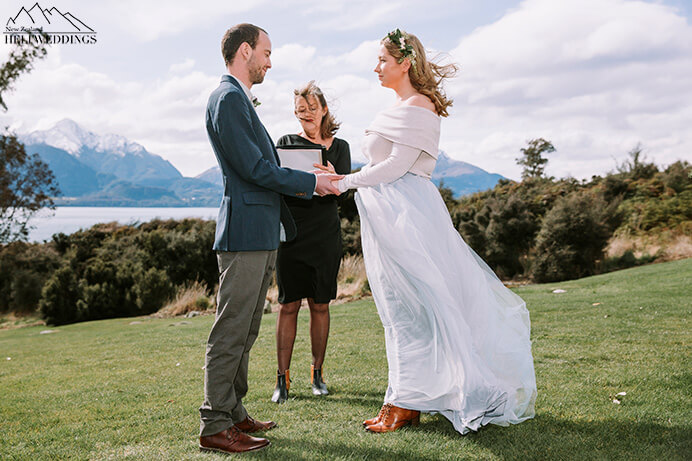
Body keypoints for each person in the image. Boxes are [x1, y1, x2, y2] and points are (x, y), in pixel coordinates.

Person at [319, 29, 537, 435]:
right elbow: (381, 166)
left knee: (416, 308)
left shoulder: (420, 106)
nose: (376, 67)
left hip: (409, 217)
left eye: (382, 60)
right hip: (388, 215)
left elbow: (396, 166)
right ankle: (404, 399)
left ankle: (413, 401)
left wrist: (343, 183)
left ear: (404, 63)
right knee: (399, 311)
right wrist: (339, 176)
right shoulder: (402, 106)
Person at [198, 23, 342, 455]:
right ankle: (214, 424)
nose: (269, 62)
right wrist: (311, 184)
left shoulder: (239, 99)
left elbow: (264, 165)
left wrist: (309, 176)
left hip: (260, 231)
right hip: (244, 232)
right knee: (231, 330)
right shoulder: (227, 99)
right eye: (266, 52)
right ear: (245, 51)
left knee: (246, 330)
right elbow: (254, 170)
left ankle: (233, 412)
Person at [271, 81, 351, 403]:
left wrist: (336, 176)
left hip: (325, 236)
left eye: (311, 109)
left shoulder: (341, 147)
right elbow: (278, 183)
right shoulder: (285, 143)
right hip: (292, 234)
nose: (306, 114)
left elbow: (344, 193)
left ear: (324, 110)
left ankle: (318, 375)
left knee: (320, 304)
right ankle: (282, 380)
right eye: (300, 110)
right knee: (288, 305)